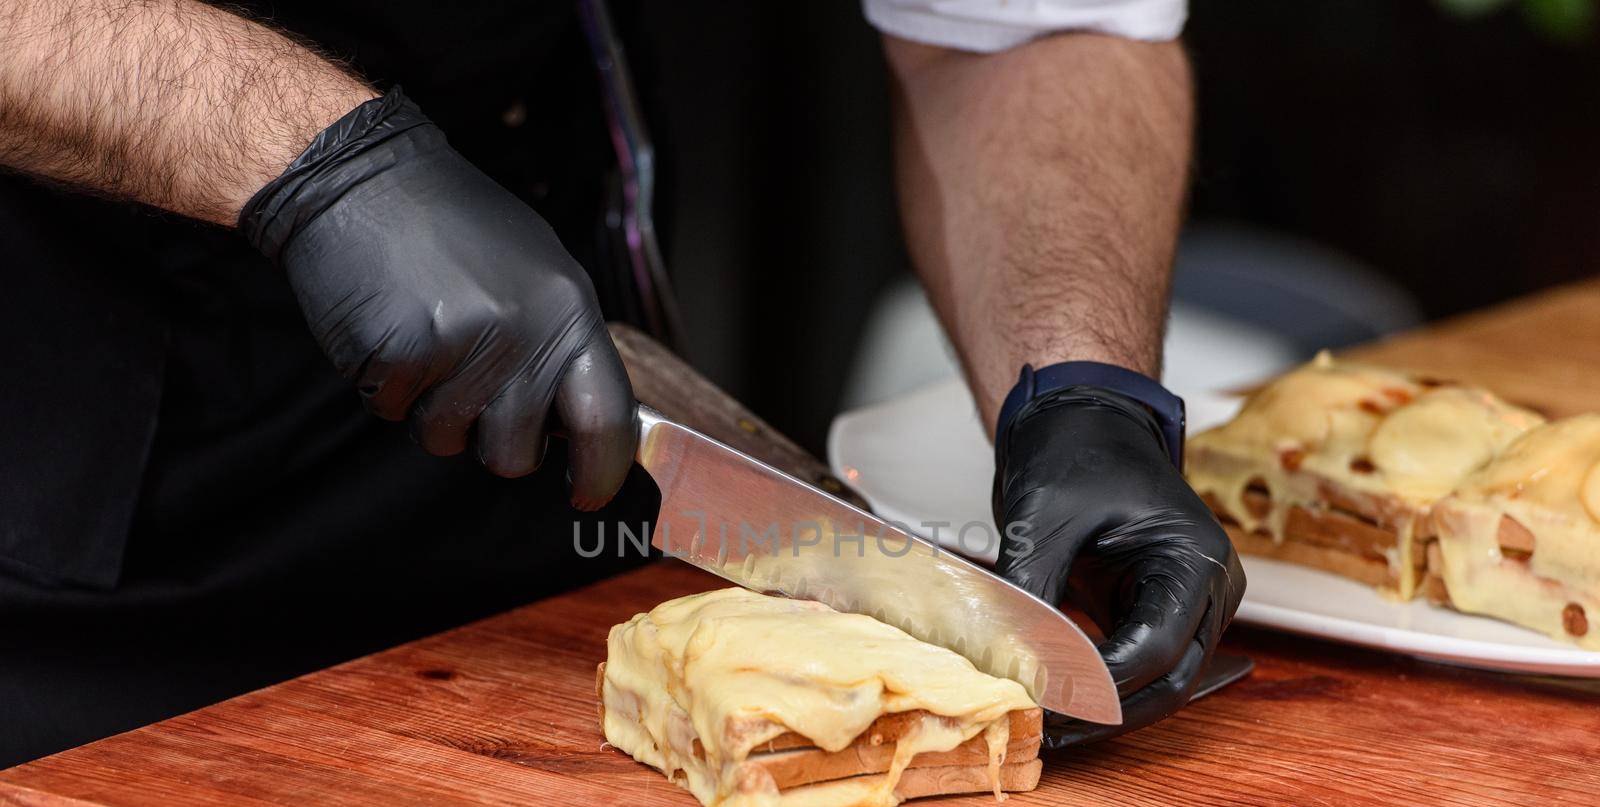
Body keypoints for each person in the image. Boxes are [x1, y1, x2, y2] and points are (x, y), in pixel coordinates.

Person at [0, 0, 1241, 767]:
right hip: (59, 502)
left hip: (528, 458)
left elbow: (1021, 31)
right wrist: (305, 158)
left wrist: (1083, 388)